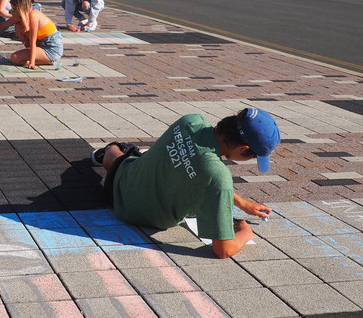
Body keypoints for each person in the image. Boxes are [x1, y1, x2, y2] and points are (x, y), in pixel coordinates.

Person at [93, 107, 281, 259]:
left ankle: (112, 150)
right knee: (134, 156)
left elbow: (205, 175)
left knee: (116, 155)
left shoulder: (190, 121)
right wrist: (245, 232)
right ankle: (127, 152)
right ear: (243, 148)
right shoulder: (218, 177)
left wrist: (243, 203)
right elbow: (223, 250)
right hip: (147, 218)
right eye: (254, 156)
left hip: (123, 182)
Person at [0, 0, 63, 69]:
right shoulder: (21, 15)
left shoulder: (33, 15)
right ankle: (36, 57)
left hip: (52, 48)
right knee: (18, 26)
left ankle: (45, 60)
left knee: (15, 58)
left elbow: (33, 41)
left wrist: (32, 63)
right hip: (41, 44)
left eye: (14, 9)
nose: (12, 11)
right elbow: (2, 26)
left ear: (21, 9)